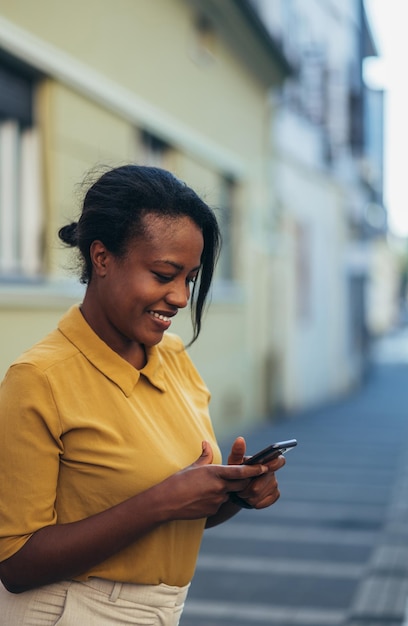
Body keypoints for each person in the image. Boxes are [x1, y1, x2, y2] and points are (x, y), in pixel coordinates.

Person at [0, 164, 285, 625]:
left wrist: (233, 494)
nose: (179, 297)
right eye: (163, 274)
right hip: (68, 611)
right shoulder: (39, 378)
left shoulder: (172, 358)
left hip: (161, 610)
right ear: (102, 258)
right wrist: (162, 501)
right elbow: (15, 563)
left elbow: (177, 518)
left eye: (189, 278)